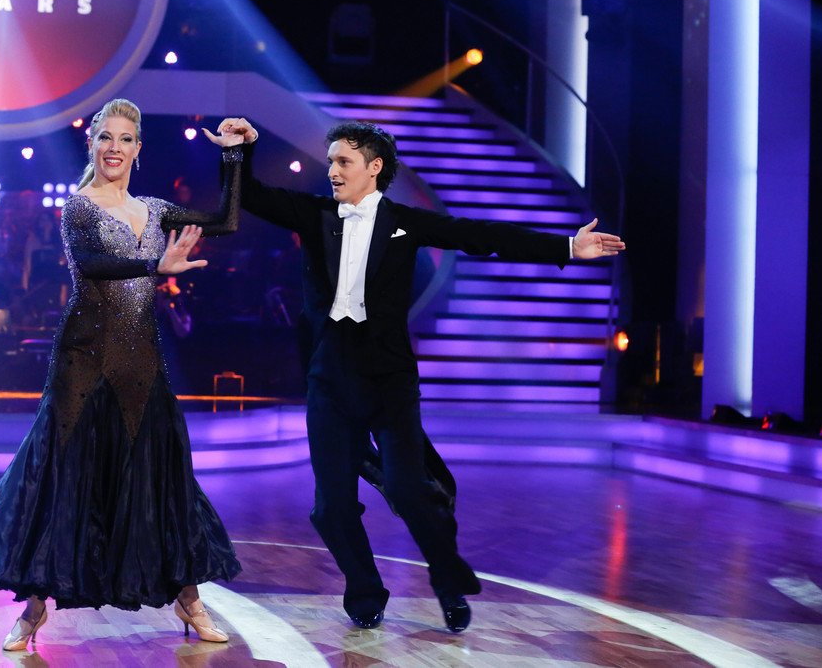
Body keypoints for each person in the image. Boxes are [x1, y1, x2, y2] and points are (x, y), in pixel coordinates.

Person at [204, 118, 625, 633]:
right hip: (330, 378)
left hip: (389, 381)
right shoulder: (316, 215)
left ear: (374, 167)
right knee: (330, 508)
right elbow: (249, 196)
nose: (332, 170)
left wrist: (565, 247)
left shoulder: (405, 222)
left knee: (409, 491)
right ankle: (365, 590)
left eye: (343, 161)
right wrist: (237, 151)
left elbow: (481, 236)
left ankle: (448, 581)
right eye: (331, 160)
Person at [0, 98, 244, 651]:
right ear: (92, 143)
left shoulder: (155, 209)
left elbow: (225, 220)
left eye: (125, 139)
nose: (114, 148)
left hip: (140, 361)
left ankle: (190, 600)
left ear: (138, 149)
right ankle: (33, 609)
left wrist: (234, 156)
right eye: (106, 137)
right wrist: (155, 265)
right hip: (83, 358)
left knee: (161, 479)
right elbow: (94, 264)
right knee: (61, 478)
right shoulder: (78, 207)